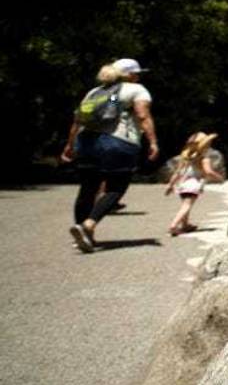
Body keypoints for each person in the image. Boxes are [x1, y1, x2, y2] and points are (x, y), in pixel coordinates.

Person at [61, 58, 159, 253]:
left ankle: (82, 235)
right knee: (116, 188)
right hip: (118, 142)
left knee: (88, 188)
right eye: (136, 73)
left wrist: (70, 145)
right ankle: (88, 225)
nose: (138, 76)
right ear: (128, 75)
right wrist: (153, 142)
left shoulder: (94, 92)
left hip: (87, 142)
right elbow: (142, 115)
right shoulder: (136, 89)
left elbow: (78, 120)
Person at [165, 132, 224, 235]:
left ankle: (185, 224)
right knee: (187, 206)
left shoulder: (186, 158)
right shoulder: (204, 158)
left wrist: (170, 185)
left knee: (185, 204)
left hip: (182, 185)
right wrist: (219, 178)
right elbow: (208, 171)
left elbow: (178, 173)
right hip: (193, 184)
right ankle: (174, 225)